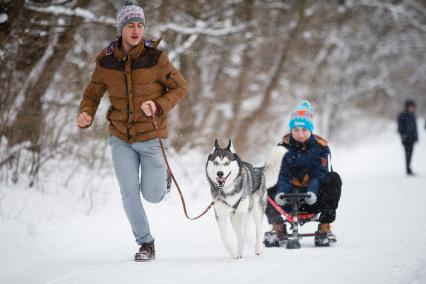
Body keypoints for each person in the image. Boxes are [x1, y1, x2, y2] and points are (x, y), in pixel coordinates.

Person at [76, 1, 188, 262]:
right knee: (128, 192)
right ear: (121, 28)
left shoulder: (156, 58)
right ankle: (146, 243)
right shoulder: (105, 61)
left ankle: (163, 182)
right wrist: (86, 113)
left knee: (152, 195)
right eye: (130, 25)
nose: (136, 30)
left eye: (140, 25)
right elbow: (92, 94)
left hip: (152, 136)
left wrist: (158, 105)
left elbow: (181, 87)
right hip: (120, 137)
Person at [263, 100, 342, 246]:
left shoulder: (321, 148)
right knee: (264, 179)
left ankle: (325, 226)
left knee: (333, 179)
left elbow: (319, 175)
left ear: (310, 130)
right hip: (286, 197)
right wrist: (281, 193)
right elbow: (281, 174)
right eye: (296, 130)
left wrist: (312, 192)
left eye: (304, 130)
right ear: (291, 130)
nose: (300, 134)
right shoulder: (282, 148)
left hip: (313, 197)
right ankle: (278, 226)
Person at [397, 100, 418, 176]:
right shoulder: (402, 115)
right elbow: (400, 128)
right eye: (411, 107)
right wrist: (403, 136)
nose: (412, 108)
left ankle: (409, 168)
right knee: (407, 154)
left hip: (412, 138)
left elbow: (415, 128)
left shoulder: (412, 115)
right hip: (406, 138)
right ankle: (408, 169)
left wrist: (416, 137)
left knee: (411, 153)